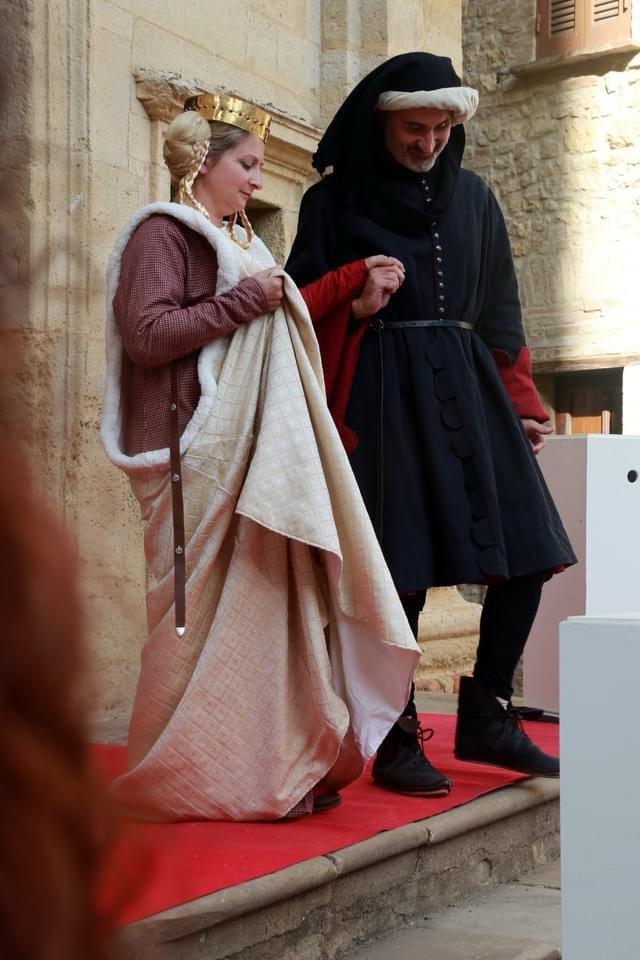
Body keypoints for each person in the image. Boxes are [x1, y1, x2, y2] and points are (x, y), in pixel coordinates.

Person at [100, 91, 422, 821]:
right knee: (190, 626)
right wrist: (249, 301)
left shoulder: (240, 243)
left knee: (263, 614)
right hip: (190, 449)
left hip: (240, 450)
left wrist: (347, 308)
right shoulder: (162, 233)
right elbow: (147, 337)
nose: (255, 180)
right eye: (245, 165)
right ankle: (182, 772)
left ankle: (265, 766)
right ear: (202, 162)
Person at [286, 52, 576, 797]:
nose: (429, 141)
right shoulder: (333, 201)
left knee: (531, 549)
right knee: (401, 568)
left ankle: (488, 711)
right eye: (415, 128)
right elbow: (296, 308)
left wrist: (521, 402)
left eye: (442, 127)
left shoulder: (476, 197)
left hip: (471, 386)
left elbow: (502, 307)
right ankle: (396, 735)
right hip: (379, 390)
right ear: (383, 123)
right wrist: (355, 302)